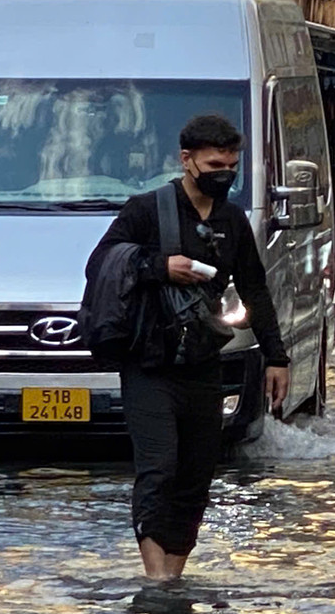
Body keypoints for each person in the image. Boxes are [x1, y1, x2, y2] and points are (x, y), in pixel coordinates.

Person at [86, 115, 290, 582]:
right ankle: (156, 578)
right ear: (186, 160)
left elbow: (255, 290)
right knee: (158, 468)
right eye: (215, 164)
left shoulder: (232, 220)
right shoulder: (145, 210)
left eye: (232, 165)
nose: (225, 173)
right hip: (149, 364)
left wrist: (276, 358)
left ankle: (173, 576)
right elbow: (100, 263)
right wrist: (160, 266)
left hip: (203, 363)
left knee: (196, 476)